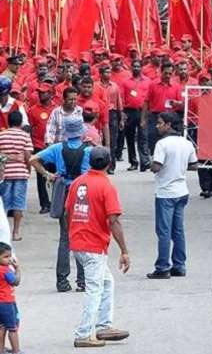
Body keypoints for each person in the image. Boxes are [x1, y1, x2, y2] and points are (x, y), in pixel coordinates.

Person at [66, 146, 130, 348]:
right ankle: (84, 333)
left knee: (107, 282)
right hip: (93, 244)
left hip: (78, 241)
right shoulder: (106, 186)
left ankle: (104, 325)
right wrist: (124, 250)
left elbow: (67, 211)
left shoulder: (77, 182)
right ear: (110, 164)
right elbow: (114, 221)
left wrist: (73, 233)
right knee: (94, 288)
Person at [30, 116, 92, 293]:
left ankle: (62, 281)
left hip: (63, 192)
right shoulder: (88, 151)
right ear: (81, 132)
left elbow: (33, 159)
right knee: (82, 236)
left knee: (65, 238)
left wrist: (47, 175)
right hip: (81, 194)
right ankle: (82, 281)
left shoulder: (57, 148)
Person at [147, 112, 198, 279]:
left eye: (160, 123)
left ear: (168, 125)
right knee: (178, 230)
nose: (157, 125)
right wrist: (179, 166)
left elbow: (157, 166)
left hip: (165, 192)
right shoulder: (186, 143)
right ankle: (179, 265)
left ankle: (162, 267)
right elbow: (194, 165)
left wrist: (150, 164)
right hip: (181, 190)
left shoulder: (162, 144)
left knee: (163, 231)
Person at [0, 112, 32, 242]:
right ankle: (16, 232)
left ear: (8, 121)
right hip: (20, 173)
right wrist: (28, 170)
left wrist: (8, 157)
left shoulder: (2, 135)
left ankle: (4, 232)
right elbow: (28, 156)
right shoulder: (25, 136)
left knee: (5, 205)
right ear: (20, 123)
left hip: (5, 173)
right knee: (19, 204)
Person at [28, 83, 55, 213]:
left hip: (54, 147)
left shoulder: (57, 109)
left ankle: (56, 201)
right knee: (41, 176)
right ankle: (44, 204)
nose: (41, 94)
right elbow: (30, 129)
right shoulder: (32, 110)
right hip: (39, 146)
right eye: (39, 92)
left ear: (50, 94)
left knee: (57, 174)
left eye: (44, 92)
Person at [142, 63, 182, 154]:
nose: (168, 76)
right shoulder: (153, 84)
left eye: (170, 73)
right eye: (166, 73)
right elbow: (146, 102)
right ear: (161, 72)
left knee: (171, 139)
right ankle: (154, 156)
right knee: (152, 136)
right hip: (155, 116)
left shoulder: (176, 86)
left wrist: (177, 103)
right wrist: (143, 119)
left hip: (170, 116)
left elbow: (181, 103)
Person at [120, 60, 151, 172]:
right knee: (130, 138)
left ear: (141, 68)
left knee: (143, 137)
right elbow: (122, 97)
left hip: (143, 112)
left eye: (138, 66)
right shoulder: (125, 82)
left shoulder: (148, 81)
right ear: (131, 68)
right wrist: (122, 113)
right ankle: (133, 162)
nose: (136, 68)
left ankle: (144, 161)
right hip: (130, 112)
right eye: (134, 66)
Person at [0, 243, 20, 354]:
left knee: (1, 327)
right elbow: (15, 282)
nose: (9, 259)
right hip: (7, 302)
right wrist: (17, 269)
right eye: (6, 257)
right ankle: (16, 350)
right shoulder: (5, 270)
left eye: (9, 256)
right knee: (13, 328)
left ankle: (1, 350)